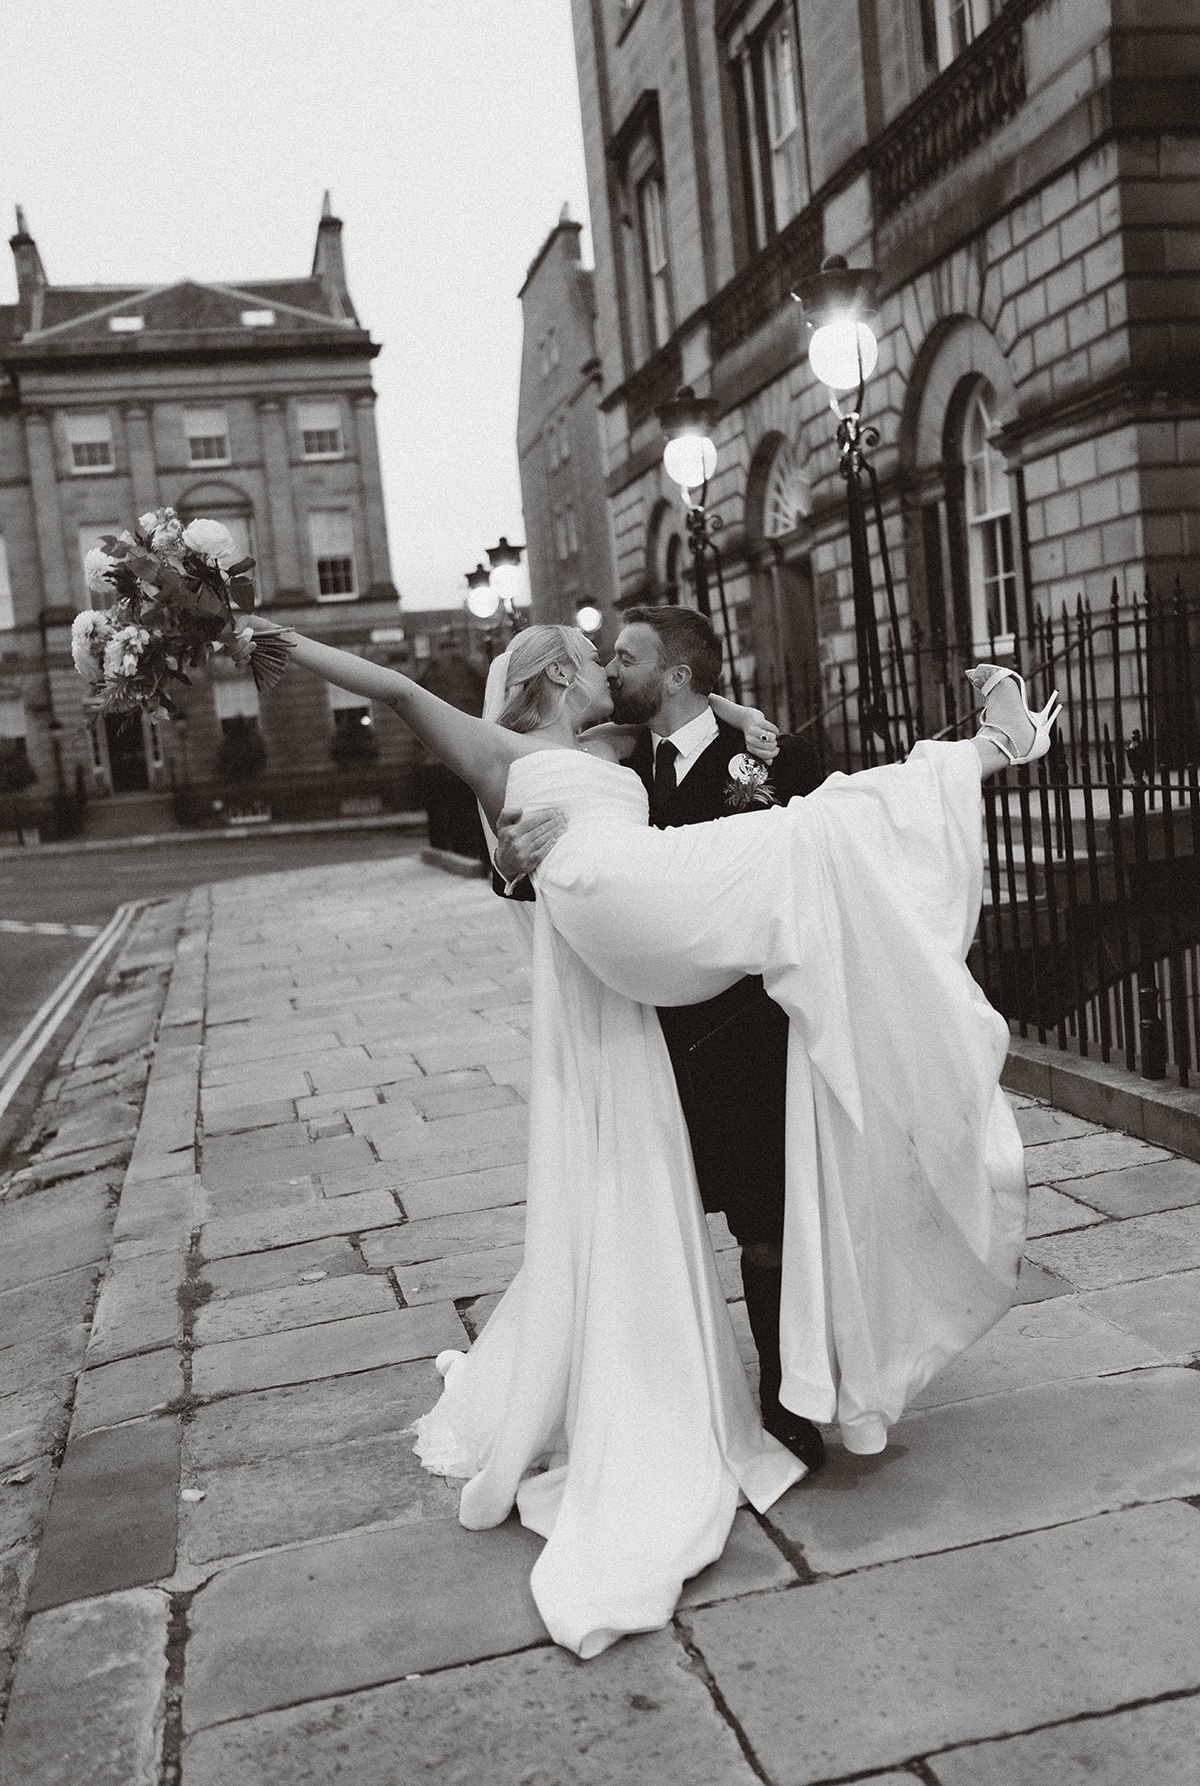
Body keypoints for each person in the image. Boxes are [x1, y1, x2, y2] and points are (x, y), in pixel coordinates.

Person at [233, 611, 1056, 1658]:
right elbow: (397, 695)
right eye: (590, 660)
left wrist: (744, 713)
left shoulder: (624, 748)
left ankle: (983, 752)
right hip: (625, 911)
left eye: (619, 657)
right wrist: (281, 644)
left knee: (819, 829)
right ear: (551, 680)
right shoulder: (503, 754)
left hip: (678, 949)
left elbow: (701, 712)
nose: (605, 670)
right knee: (819, 836)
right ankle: (988, 750)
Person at [491, 606, 827, 1471]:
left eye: (628, 657)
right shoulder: (616, 761)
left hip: (747, 1035)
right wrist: (512, 859)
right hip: (640, 1037)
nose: (612, 666)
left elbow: (813, 873)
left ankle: (785, 1396)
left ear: (675, 675)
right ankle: (656, 1406)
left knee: (766, 1224)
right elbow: (560, 866)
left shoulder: (769, 760)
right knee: (647, 1225)